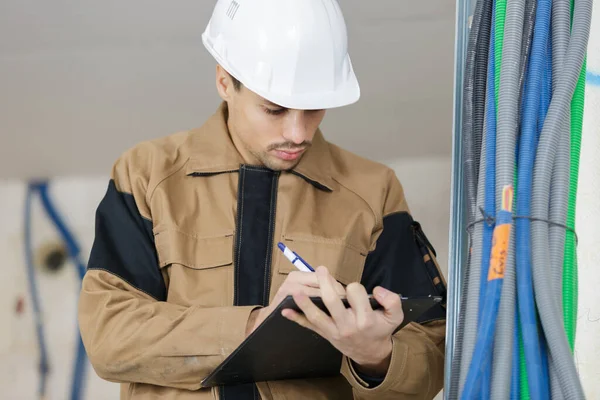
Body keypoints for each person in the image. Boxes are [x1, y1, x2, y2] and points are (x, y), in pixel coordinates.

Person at [77, 0, 447, 399]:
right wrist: (255, 328)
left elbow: (437, 355)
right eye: (275, 109)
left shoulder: (374, 192)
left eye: (314, 109)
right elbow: (109, 335)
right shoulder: (147, 176)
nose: (298, 133)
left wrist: (377, 357)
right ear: (224, 82)